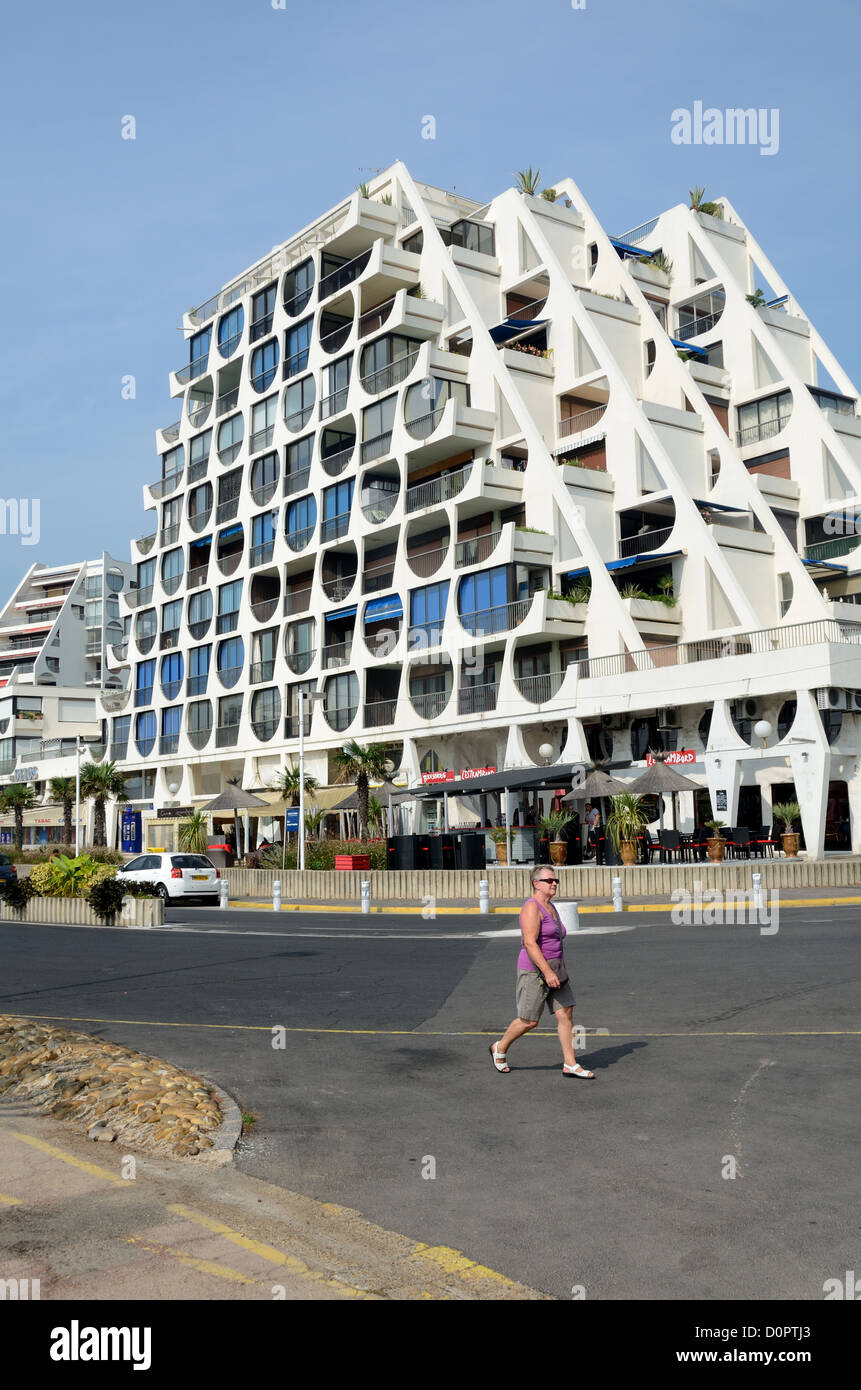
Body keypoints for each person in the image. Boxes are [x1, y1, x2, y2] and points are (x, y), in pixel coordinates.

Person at [489, 869, 595, 1079]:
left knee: (565, 1013)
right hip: (535, 970)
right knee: (529, 1020)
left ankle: (570, 1064)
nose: (554, 883)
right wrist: (547, 972)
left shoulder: (551, 906)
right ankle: (499, 1047)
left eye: (555, 880)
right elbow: (530, 943)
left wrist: (560, 969)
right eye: (549, 880)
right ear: (536, 884)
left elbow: (556, 941)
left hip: (555, 968)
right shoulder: (531, 907)